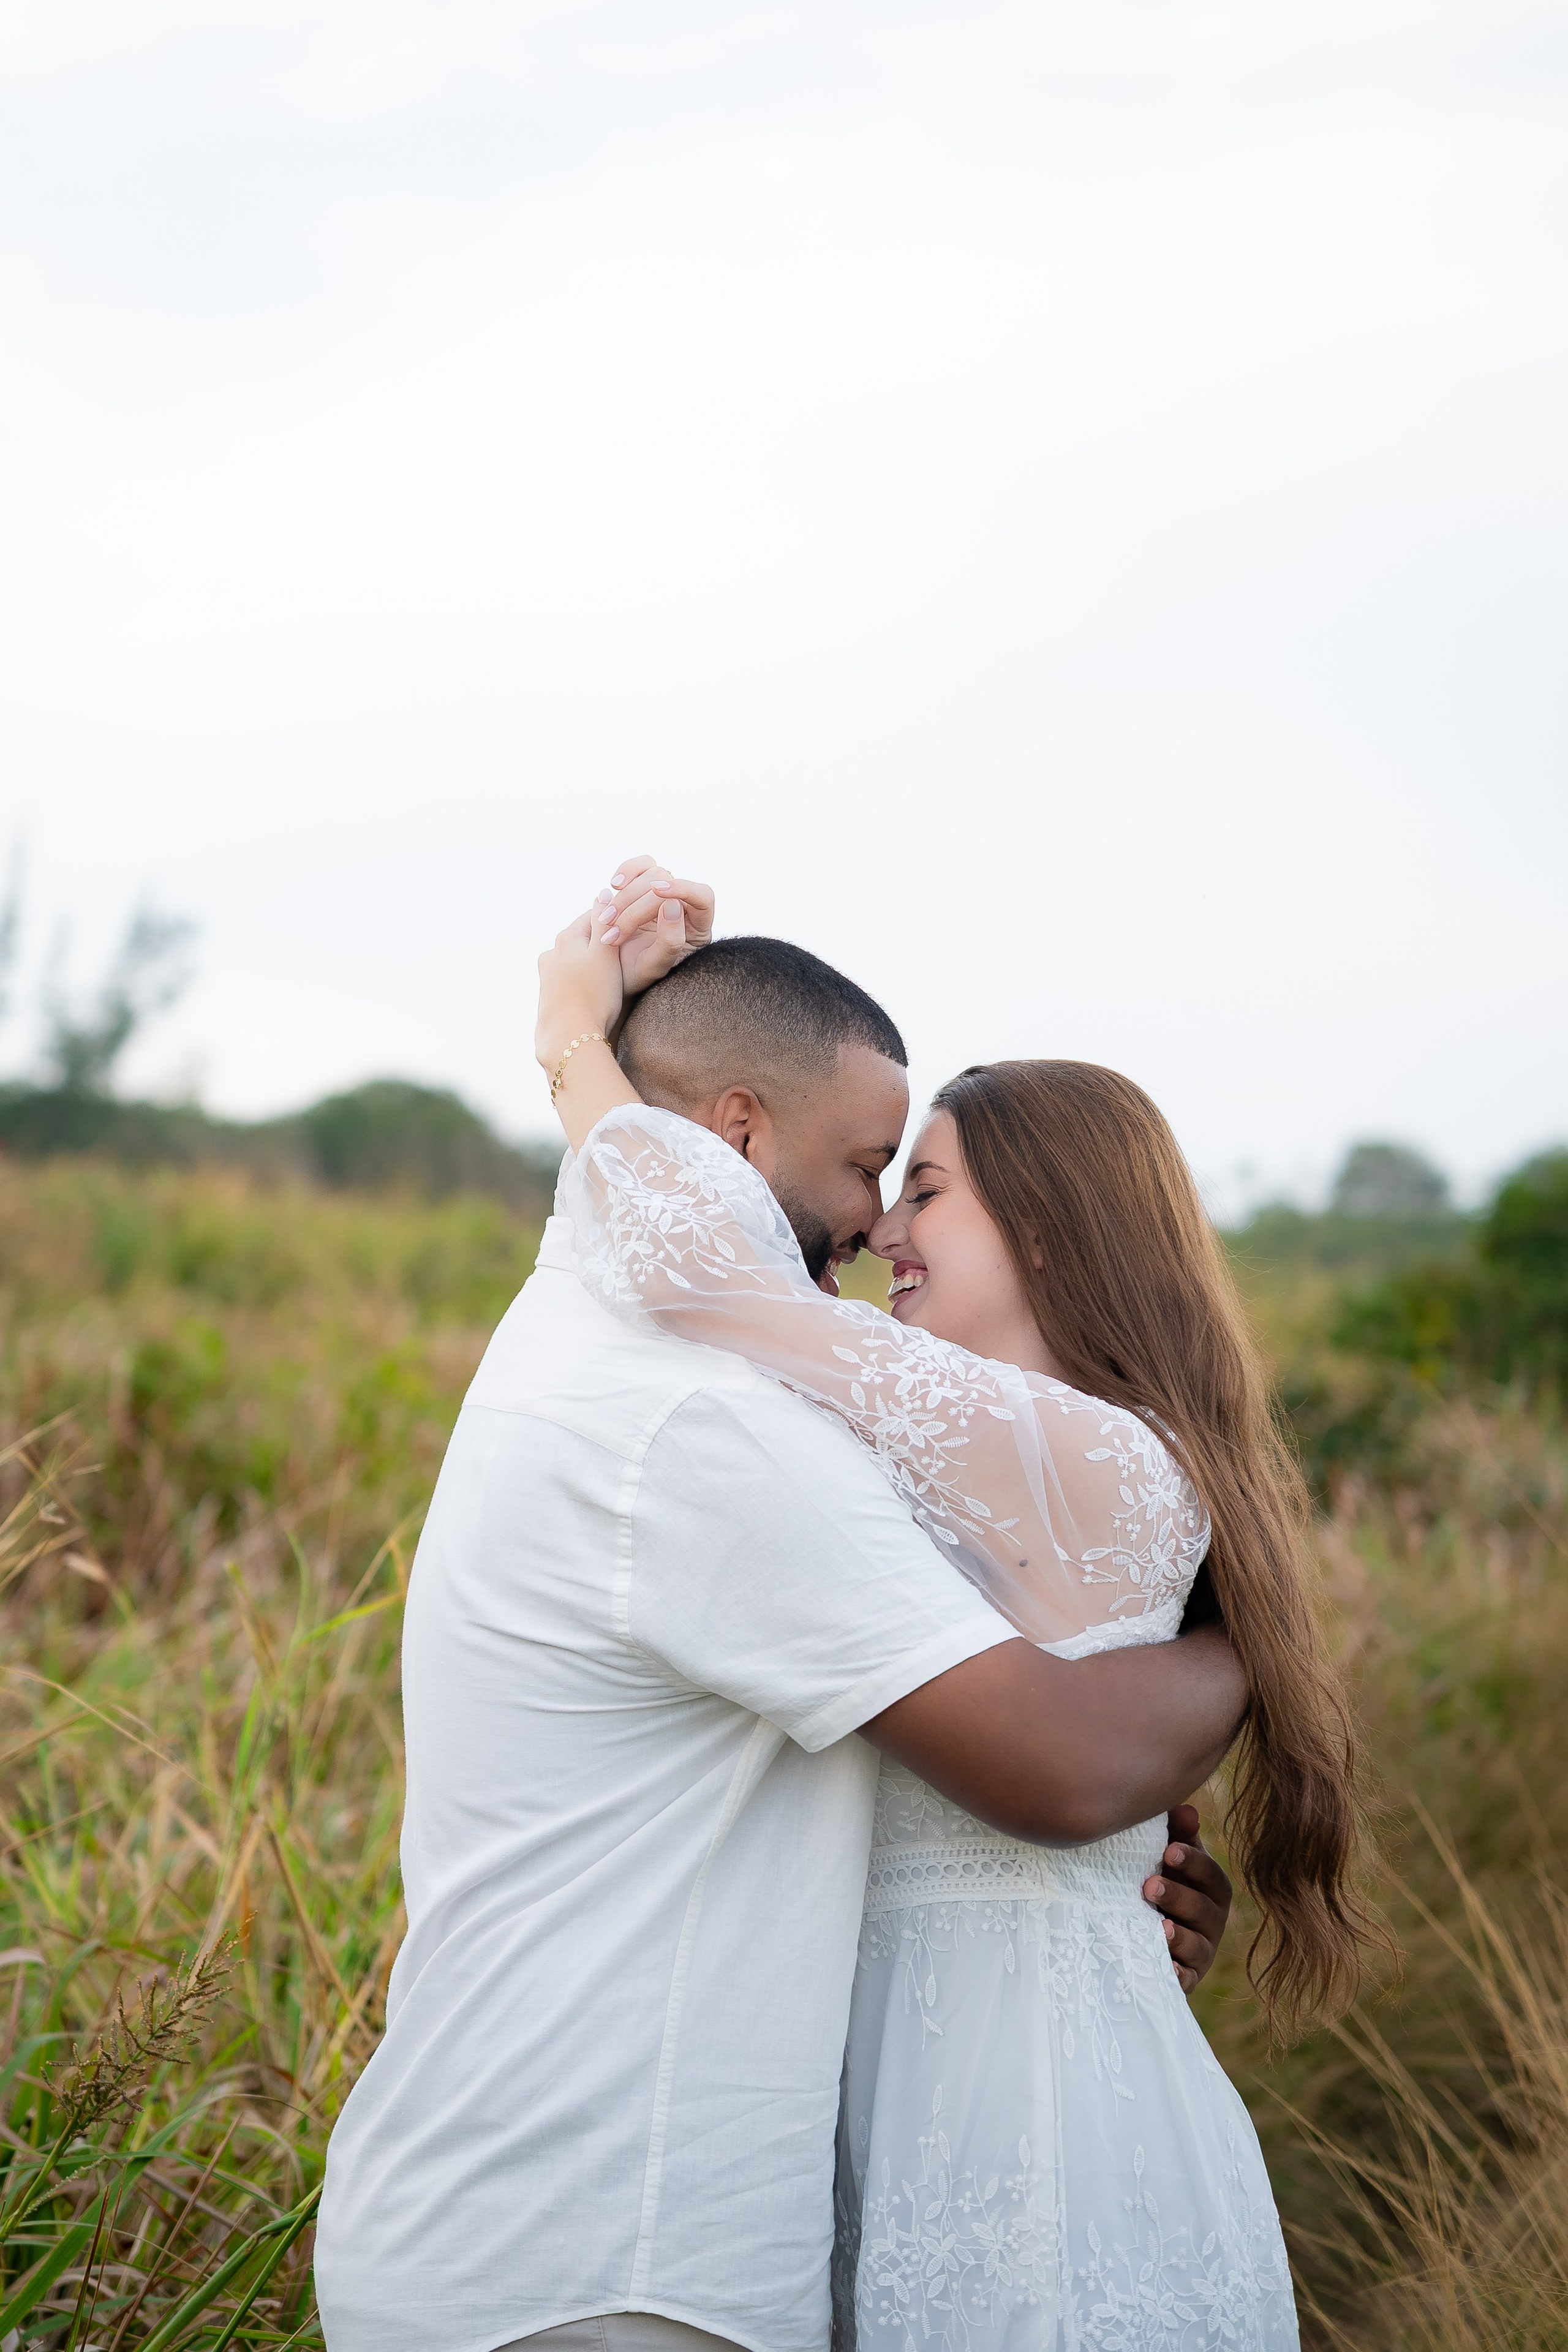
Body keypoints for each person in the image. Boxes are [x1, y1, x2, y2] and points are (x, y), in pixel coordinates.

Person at [314, 860, 1246, 2352]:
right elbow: (1064, 1760)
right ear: (737, 1130)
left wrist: (1109, 1896)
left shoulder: (627, 1365)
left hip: (618, 2230)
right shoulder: (699, 1423)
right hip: (597, 2261)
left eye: (914, 1183)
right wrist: (1235, 1660)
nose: (873, 1224)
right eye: (873, 1165)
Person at [527, 863, 1374, 2351]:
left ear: (1048, 1229)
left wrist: (571, 1040)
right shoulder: (964, 1445)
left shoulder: (1084, 1450)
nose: (876, 1231)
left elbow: (695, 1272)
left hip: (1029, 2117)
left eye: (920, 1188)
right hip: (914, 2083)